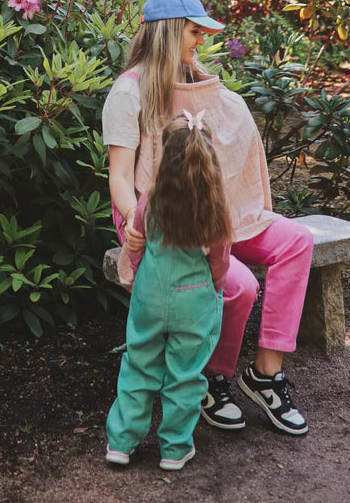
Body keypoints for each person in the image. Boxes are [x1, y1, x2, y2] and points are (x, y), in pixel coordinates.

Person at [102, 0, 314, 436]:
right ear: (168, 33)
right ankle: (210, 380)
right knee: (236, 286)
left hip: (215, 211)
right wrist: (133, 227)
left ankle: (264, 374)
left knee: (297, 240)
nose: (200, 41)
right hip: (157, 222)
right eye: (194, 32)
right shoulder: (128, 92)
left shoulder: (197, 81)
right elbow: (120, 177)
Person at [105, 112, 232, 471]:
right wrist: (215, 293)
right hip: (194, 301)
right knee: (185, 375)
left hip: (150, 295)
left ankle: (121, 442)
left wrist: (136, 278)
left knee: (138, 365)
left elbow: (136, 246)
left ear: (163, 156)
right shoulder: (214, 206)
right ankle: (175, 449)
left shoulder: (149, 199)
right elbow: (220, 262)